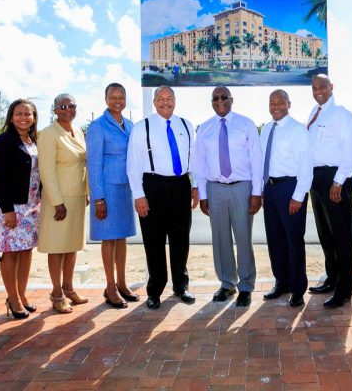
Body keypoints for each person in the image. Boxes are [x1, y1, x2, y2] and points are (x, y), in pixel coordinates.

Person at [126, 85, 198, 309]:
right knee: (154, 241)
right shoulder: (142, 127)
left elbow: (193, 159)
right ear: (154, 101)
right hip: (153, 186)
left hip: (180, 186)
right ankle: (155, 290)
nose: (165, 102)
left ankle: (181, 286)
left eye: (169, 98)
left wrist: (195, 185)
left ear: (175, 100)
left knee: (181, 239)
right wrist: (139, 195)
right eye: (161, 98)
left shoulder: (186, 125)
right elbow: (133, 165)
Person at [193, 86, 263, 307]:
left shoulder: (246, 124)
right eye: (215, 98)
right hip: (215, 188)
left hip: (242, 187)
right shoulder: (204, 129)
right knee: (220, 238)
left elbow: (257, 160)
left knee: (243, 238)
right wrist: (203, 194)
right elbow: (199, 164)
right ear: (211, 102)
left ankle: (246, 286)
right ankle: (227, 283)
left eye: (224, 97)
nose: (220, 101)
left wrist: (256, 192)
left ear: (232, 100)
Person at [305, 74, 352, 308]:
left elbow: (350, 148)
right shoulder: (314, 113)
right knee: (325, 234)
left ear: (331, 87)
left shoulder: (341, 114)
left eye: (322, 87)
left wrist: (338, 182)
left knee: (341, 236)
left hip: (335, 178)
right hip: (316, 178)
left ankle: (344, 289)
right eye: (314, 88)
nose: (318, 91)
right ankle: (332, 278)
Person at [87, 82, 138, 309]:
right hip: (106, 189)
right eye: (113, 97)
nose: (117, 101)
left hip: (125, 188)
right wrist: (98, 197)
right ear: (105, 99)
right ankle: (110, 287)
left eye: (121, 97)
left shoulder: (130, 124)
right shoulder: (98, 126)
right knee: (109, 238)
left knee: (121, 237)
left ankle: (122, 283)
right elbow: (93, 164)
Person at [259, 90, 313, 307]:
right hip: (270, 189)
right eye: (272, 102)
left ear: (289, 104)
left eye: (281, 102)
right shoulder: (266, 129)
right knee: (275, 239)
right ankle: (281, 282)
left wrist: (298, 196)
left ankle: (297, 288)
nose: (276, 106)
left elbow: (306, 166)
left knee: (294, 240)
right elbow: (262, 162)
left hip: (291, 188)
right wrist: (262, 190)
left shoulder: (297, 130)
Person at [37, 93, 89, 314]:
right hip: (59, 200)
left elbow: (83, 164)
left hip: (77, 197)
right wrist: (57, 201)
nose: (68, 110)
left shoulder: (78, 131)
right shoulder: (48, 134)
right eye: (63, 106)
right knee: (57, 247)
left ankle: (69, 288)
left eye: (72, 106)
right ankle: (57, 293)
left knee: (71, 245)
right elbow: (46, 170)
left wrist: (87, 193)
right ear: (55, 109)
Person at [0, 99, 41, 320]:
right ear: (11, 117)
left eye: (28, 114)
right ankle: (13, 298)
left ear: (34, 118)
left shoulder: (34, 140)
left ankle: (22, 294)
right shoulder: (2, 142)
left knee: (26, 250)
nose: (23, 118)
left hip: (31, 204)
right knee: (10, 251)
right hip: (10, 205)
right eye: (19, 113)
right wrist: (7, 209)